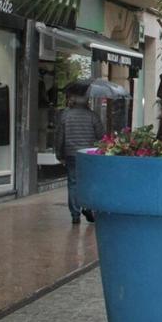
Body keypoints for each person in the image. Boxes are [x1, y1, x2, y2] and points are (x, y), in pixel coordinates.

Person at [55, 83, 104, 225]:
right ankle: (88, 208)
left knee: (73, 183)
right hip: (88, 155)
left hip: (71, 154)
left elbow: (59, 136)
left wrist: (59, 153)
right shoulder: (92, 116)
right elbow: (101, 136)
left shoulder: (65, 115)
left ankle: (75, 214)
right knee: (89, 182)